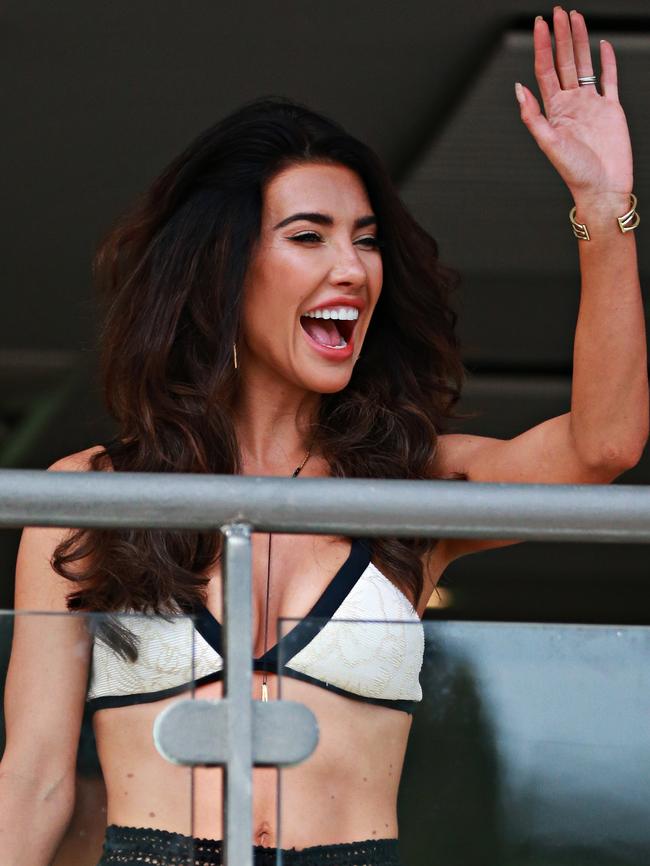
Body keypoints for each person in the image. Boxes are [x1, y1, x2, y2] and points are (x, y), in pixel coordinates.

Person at [0, 7, 647, 866]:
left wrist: (605, 210)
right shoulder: (88, 498)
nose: (352, 267)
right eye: (309, 236)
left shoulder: (406, 488)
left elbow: (603, 446)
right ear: (223, 271)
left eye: (365, 241)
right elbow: (37, 780)